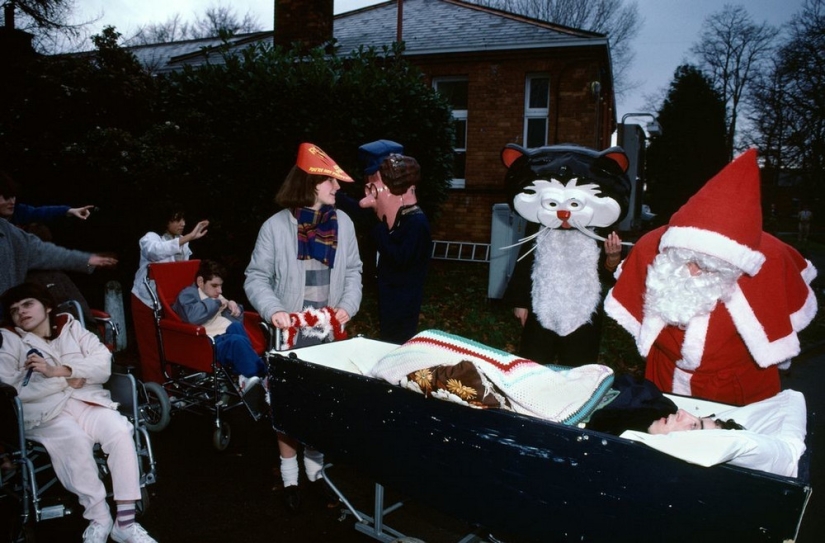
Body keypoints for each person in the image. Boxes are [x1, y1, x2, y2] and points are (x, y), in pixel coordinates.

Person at [605, 149, 818, 406]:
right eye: (689, 261)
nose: (694, 273)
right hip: (665, 377)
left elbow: (785, 310)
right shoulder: (653, 249)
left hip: (740, 389)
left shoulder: (769, 262)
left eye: (708, 268)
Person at [245, 142, 362, 511]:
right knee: (288, 406)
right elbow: (256, 277)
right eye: (331, 181)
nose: (337, 188)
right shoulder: (275, 227)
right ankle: (289, 476)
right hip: (289, 333)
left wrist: (347, 306)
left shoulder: (343, 223)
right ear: (311, 182)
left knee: (322, 404)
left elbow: (355, 271)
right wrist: (274, 309)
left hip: (329, 334)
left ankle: (316, 473)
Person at [0, 283, 157, 543]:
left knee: (120, 430)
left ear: (47, 306)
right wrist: (61, 380)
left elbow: (102, 365)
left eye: (28, 304)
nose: (21, 313)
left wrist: (60, 370)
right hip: (46, 413)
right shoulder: (10, 340)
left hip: (88, 400)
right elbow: (11, 388)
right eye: (15, 310)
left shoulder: (72, 328)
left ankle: (125, 524)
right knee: (74, 441)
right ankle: (99, 517)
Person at [500, 144, 631, 366]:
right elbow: (525, 264)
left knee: (578, 366)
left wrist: (612, 258)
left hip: (583, 312)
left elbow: (607, 277)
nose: (564, 213)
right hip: (542, 306)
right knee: (534, 363)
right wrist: (521, 302)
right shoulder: (539, 227)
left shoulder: (601, 230)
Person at [355, 140, 431, 344]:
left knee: (397, 343)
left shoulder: (416, 223)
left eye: (374, 189)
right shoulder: (402, 220)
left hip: (403, 302)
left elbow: (400, 257)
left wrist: (378, 229)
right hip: (391, 298)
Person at [172, 259, 267, 410]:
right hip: (205, 342)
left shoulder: (214, 295)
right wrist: (217, 303)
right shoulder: (187, 295)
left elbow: (233, 320)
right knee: (236, 341)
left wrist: (233, 307)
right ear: (200, 281)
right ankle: (259, 375)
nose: (220, 291)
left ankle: (252, 376)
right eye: (215, 286)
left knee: (236, 327)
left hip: (223, 333)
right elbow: (193, 317)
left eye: (221, 286)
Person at [130, 206, 209, 383]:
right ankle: (157, 392)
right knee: (151, 348)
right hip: (146, 301)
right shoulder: (150, 238)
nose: (183, 223)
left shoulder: (181, 241)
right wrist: (188, 238)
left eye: (183, 219)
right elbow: (155, 252)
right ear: (165, 221)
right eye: (177, 219)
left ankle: (173, 386)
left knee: (170, 346)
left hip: (169, 300)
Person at [1, 169, 95, 225]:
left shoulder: (19, 212)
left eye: (13, 196)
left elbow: (42, 212)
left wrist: (69, 210)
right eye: (6, 197)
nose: (12, 201)